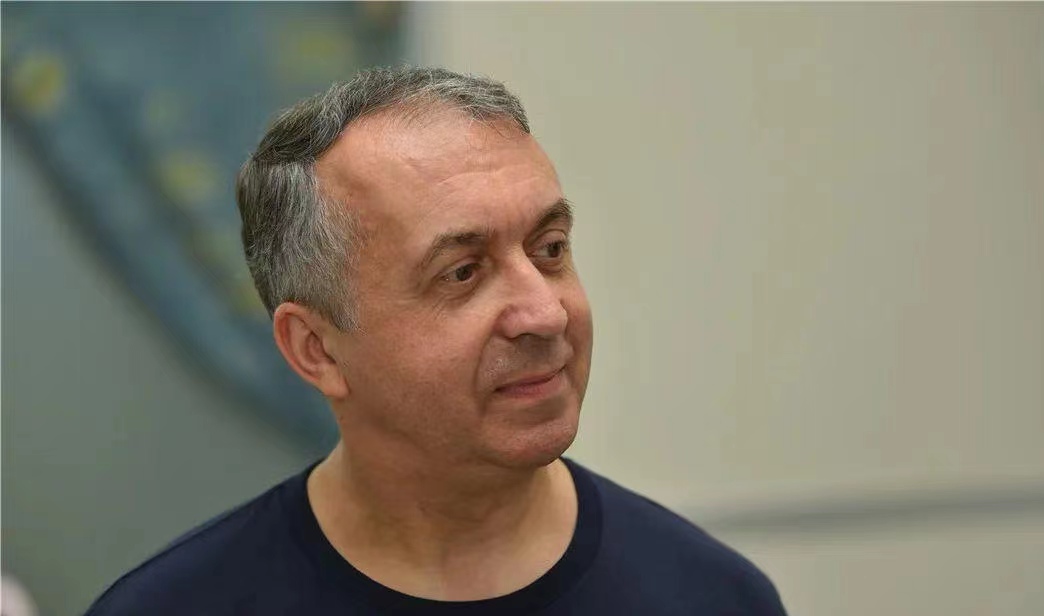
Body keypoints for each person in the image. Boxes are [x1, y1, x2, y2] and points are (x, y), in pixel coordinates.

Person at [86, 66, 787, 615]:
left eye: (549, 249)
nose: (544, 314)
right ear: (316, 349)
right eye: (462, 272)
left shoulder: (711, 598)